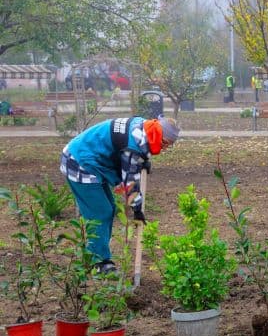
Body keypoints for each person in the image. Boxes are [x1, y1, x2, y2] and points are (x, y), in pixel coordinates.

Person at [60, 116, 180, 273]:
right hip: (79, 162)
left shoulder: (145, 127)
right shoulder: (134, 147)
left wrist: (142, 160)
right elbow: (129, 182)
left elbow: (126, 154)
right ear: (158, 134)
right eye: (165, 143)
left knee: (108, 209)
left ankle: (96, 254)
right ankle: (99, 262)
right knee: (100, 213)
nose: (165, 148)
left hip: (93, 159)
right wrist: (137, 208)